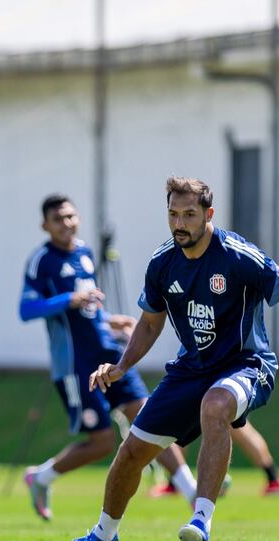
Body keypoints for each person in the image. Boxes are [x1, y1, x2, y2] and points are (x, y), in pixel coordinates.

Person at [52, 177, 279, 541]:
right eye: (173, 214)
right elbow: (150, 323)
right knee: (132, 452)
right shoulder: (163, 262)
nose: (179, 223)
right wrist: (121, 366)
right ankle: (104, 536)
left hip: (247, 365)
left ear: (208, 214)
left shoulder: (237, 256)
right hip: (192, 369)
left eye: (189, 214)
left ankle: (200, 522)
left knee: (215, 406)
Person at [20, 194, 199, 521]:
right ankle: (41, 477)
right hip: (76, 366)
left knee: (150, 420)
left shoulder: (85, 253)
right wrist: (67, 299)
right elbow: (27, 309)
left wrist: (110, 320)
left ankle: (193, 495)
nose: (66, 223)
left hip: (111, 356)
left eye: (70, 216)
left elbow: (89, 311)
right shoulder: (41, 261)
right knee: (102, 443)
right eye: (58, 219)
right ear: (45, 225)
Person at [148, 420, 279, 497]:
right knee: (238, 425)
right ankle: (273, 479)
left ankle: (174, 484)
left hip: (208, 372)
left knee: (182, 419)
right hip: (229, 375)